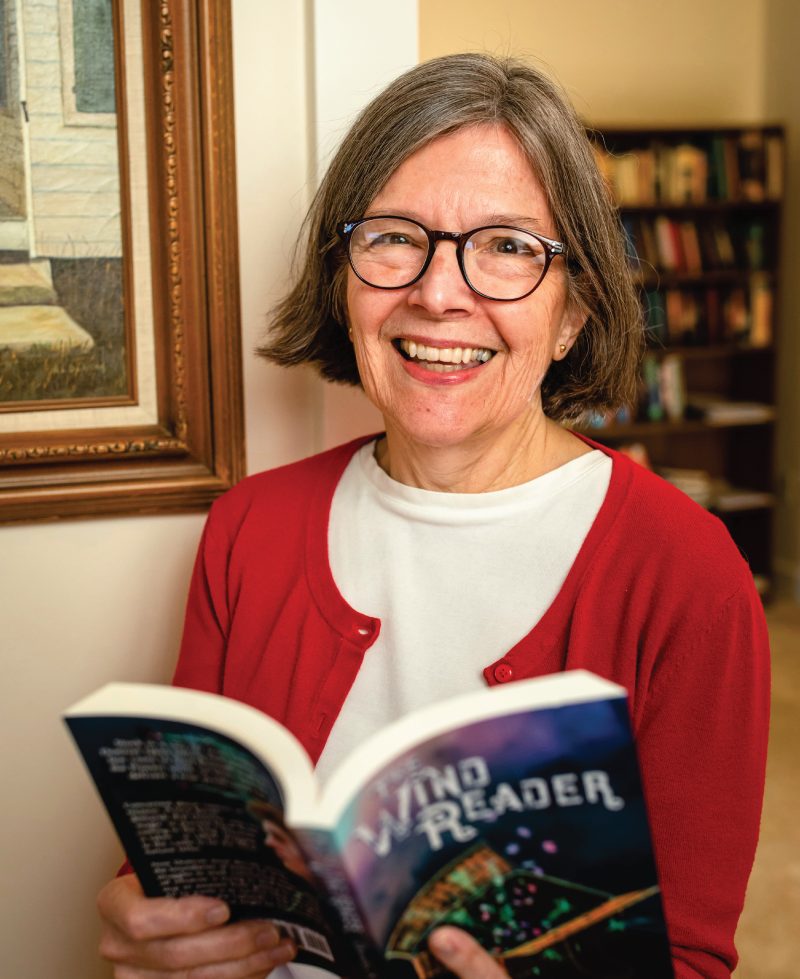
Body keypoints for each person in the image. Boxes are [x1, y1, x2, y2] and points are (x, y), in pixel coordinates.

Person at [96, 52, 770, 979]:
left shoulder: (687, 571)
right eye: (394, 237)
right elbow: (180, 855)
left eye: (506, 245)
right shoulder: (248, 529)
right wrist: (156, 928)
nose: (438, 293)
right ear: (345, 279)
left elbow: (688, 957)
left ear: (573, 310)